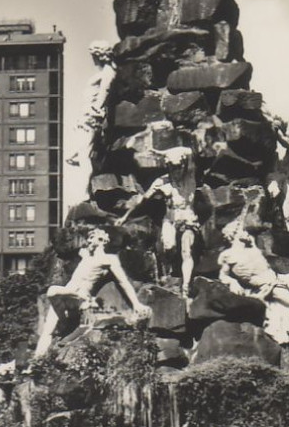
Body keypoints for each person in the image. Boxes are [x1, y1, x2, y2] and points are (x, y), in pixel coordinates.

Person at [218, 218, 289, 364]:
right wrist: (232, 281)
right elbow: (223, 275)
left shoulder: (251, 247)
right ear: (234, 234)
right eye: (243, 230)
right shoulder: (228, 255)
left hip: (280, 279)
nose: (246, 233)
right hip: (270, 287)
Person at [33, 228, 150, 359]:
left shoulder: (108, 259)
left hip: (79, 297)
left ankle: (64, 321)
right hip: (65, 294)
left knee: (52, 291)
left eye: (91, 238)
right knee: (47, 330)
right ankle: (37, 362)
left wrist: (136, 304)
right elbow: (70, 248)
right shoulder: (86, 256)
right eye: (88, 238)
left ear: (101, 240)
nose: (88, 241)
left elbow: (123, 282)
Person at [116, 147, 199, 295]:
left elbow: (189, 150)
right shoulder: (162, 182)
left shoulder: (190, 177)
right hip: (171, 218)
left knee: (187, 250)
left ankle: (186, 287)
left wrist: (164, 152)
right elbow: (142, 200)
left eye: (179, 167)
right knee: (168, 247)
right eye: (173, 168)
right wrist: (125, 217)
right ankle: (171, 273)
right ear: (168, 167)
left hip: (187, 218)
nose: (177, 171)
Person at [66, 42, 116, 170]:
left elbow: (106, 90)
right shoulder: (106, 71)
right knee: (83, 153)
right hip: (88, 114)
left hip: (92, 116)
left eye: (93, 55)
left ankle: (85, 189)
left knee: (84, 156)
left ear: (99, 55)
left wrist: (96, 109)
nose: (92, 58)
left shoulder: (108, 71)